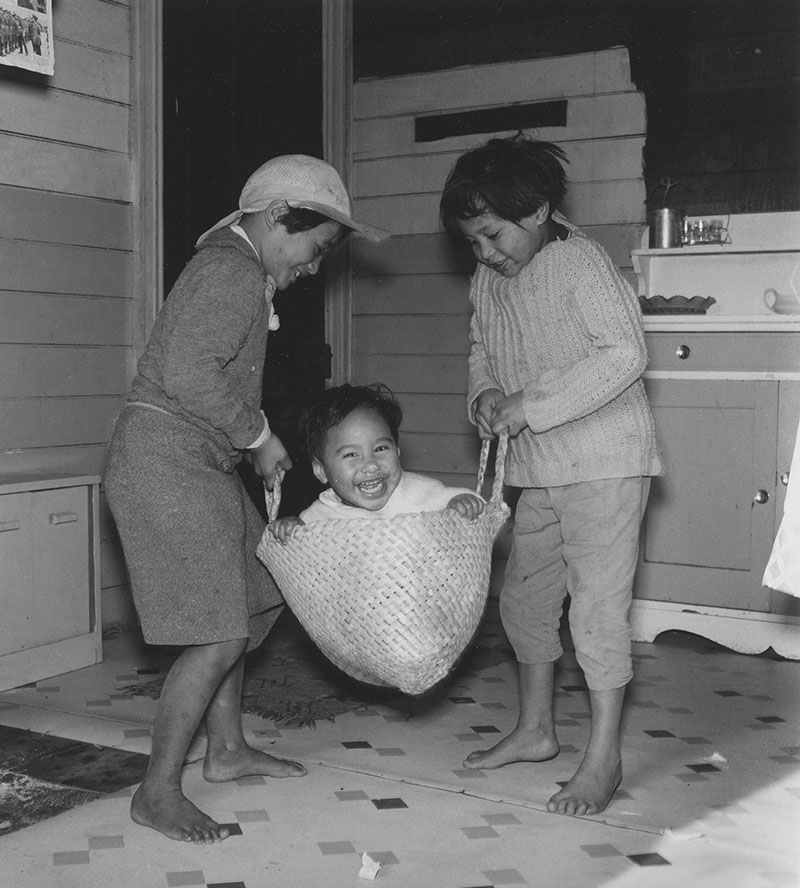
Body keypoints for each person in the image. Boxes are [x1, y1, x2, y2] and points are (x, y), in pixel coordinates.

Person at [104, 155, 388, 844]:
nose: (316, 267)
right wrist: (258, 435)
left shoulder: (241, 270)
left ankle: (226, 748)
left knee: (256, 591)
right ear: (274, 220)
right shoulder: (230, 271)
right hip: (163, 463)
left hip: (195, 460)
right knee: (216, 629)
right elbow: (184, 369)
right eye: (315, 249)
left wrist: (248, 441)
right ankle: (157, 791)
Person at [439, 134, 662, 818]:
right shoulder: (490, 278)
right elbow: (483, 347)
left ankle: (604, 758)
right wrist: (483, 394)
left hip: (606, 463)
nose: (485, 252)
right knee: (525, 603)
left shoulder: (581, 263)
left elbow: (626, 353)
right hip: (538, 469)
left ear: (537, 211)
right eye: (472, 241)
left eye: (493, 235)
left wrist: (529, 404)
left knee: (596, 613)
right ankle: (537, 731)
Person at [269, 384, 484, 542]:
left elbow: (470, 506)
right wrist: (291, 530)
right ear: (321, 470)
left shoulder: (416, 492)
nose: (371, 465)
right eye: (351, 455)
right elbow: (298, 546)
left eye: (380, 449)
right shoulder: (321, 514)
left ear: (398, 450)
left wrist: (463, 504)